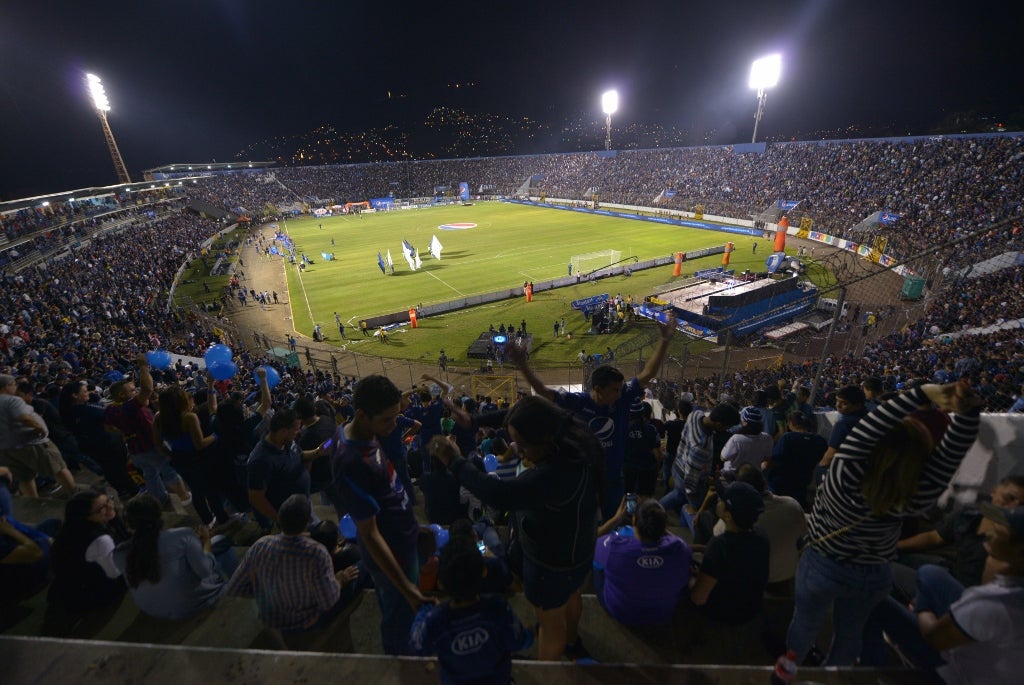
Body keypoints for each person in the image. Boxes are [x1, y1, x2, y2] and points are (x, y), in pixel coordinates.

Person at [781, 381, 982, 668]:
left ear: (874, 442)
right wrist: (970, 412)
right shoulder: (918, 493)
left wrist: (924, 393)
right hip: (872, 573)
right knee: (850, 635)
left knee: (804, 623)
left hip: (824, 563)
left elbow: (870, 426)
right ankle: (836, 675)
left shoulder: (844, 471)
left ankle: (787, 671)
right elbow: (952, 453)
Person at [431, 394, 602, 663]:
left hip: (550, 564)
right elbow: (527, 414)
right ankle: (572, 642)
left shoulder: (547, 477)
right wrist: (474, 421)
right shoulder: (571, 433)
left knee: (550, 622)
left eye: (523, 444)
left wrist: (454, 460)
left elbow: (498, 494)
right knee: (572, 594)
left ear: (541, 438)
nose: (518, 450)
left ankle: (550, 670)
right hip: (579, 550)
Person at [509, 312, 676, 518]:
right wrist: (522, 365)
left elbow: (648, 374)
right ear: (598, 389)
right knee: (586, 524)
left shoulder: (622, 397)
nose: (619, 393)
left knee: (613, 520)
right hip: (583, 478)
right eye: (614, 389)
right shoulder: (578, 402)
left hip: (614, 478)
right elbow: (543, 391)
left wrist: (664, 340)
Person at [329, 374, 432, 655]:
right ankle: (401, 666)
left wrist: (413, 526)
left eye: (396, 416)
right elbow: (370, 534)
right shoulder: (350, 462)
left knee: (401, 613)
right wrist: (407, 588)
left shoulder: (359, 433)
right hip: (392, 554)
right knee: (400, 620)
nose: (394, 424)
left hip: (402, 537)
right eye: (387, 419)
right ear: (362, 415)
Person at [225, 494, 360, 633]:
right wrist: (340, 580)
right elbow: (328, 601)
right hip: (307, 623)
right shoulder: (316, 552)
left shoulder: (260, 545)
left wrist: (267, 594)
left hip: (271, 623)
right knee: (360, 569)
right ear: (308, 521)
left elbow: (235, 588)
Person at [409, 538, 533, 684]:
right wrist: (530, 634)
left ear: (441, 583)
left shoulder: (436, 620)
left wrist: (425, 610)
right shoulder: (498, 608)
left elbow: (416, 645)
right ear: (483, 571)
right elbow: (517, 641)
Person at [112, 493, 227, 619]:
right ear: (158, 516)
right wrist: (206, 541)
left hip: (151, 608)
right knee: (222, 542)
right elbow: (205, 571)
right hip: (193, 603)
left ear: (129, 526)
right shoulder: (182, 535)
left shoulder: (118, 552)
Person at [104, 355, 192, 508]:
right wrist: (143, 366)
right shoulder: (129, 406)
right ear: (122, 395)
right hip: (150, 445)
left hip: (135, 449)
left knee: (150, 474)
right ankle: (184, 497)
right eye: (132, 390)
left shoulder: (111, 409)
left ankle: (160, 499)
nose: (136, 391)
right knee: (168, 470)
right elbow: (147, 389)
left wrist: (127, 431)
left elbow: (109, 427)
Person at [593, 497, 691, 626]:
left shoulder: (613, 547)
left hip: (621, 613)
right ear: (665, 526)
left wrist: (616, 518)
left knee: (597, 566)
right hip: (662, 615)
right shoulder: (680, 548)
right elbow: (681, 544)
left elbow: (591, 541)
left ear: (634, 521)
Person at [44, 489, 128, 636]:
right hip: (90, 595)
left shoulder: (68, 531)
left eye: (108, 500)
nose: (110, 506)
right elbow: (114, 572)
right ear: (87, 517)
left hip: (64, 589)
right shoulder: (101, 540)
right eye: (101, 508)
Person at [688, 481, 769, 625]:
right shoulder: (762, 537)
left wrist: (693, 576)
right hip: (751, 609)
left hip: (722, 613)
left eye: (721, 500)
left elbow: (698, 597)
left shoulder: (719, 546)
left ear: (728, 516)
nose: (718, 501)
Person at [659, 403, 741, 528]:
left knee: (677, 494)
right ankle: (680, 523)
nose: (727, 430)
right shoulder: (700, 447)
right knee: (692, 509)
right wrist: (693, 505)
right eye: (727, 427)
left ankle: (655, 510)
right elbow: (691, 479)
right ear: (719, 424)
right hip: (687, 477)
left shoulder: (695, 415)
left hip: (678, 465)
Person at [0, 373, 80, 498]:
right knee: (59, 468)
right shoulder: (12, 400)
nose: (15, 389)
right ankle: (75, 494)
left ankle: (33, 501)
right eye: (14, 385)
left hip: (7, 448)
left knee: (24, 478)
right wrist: (40, 428)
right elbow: (24, 418)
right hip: (32, 443)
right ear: (6, 386)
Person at [153, 385, 221, 526]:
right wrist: (216, 435)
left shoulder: (159, 417)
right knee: (210, 489)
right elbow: (200, 444)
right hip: (198, 458)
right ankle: (221, 517)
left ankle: (207, 519)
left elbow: (158, 444)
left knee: (195, 490)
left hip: (179, 459)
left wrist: (171, 455)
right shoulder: (189, 417)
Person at [764, 411, 827, 511]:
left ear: (791, 423)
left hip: (781, 482)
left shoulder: (787, 437)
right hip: (803, 481)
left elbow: (775, 459)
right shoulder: (819, 440)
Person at [719, 406, 773, 478]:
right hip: (754, 476)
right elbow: (767, 459)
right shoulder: (767, 438)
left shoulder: (736, 439)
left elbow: (723, 458)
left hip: (733, 476)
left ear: (745, 423)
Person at [622, 400, 662, 496]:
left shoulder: (622, 429)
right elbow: (658, 454)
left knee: (629, 499)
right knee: (645, 500)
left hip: (628, 472)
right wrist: (657, 469)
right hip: (647, 472)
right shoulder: (651, 429)